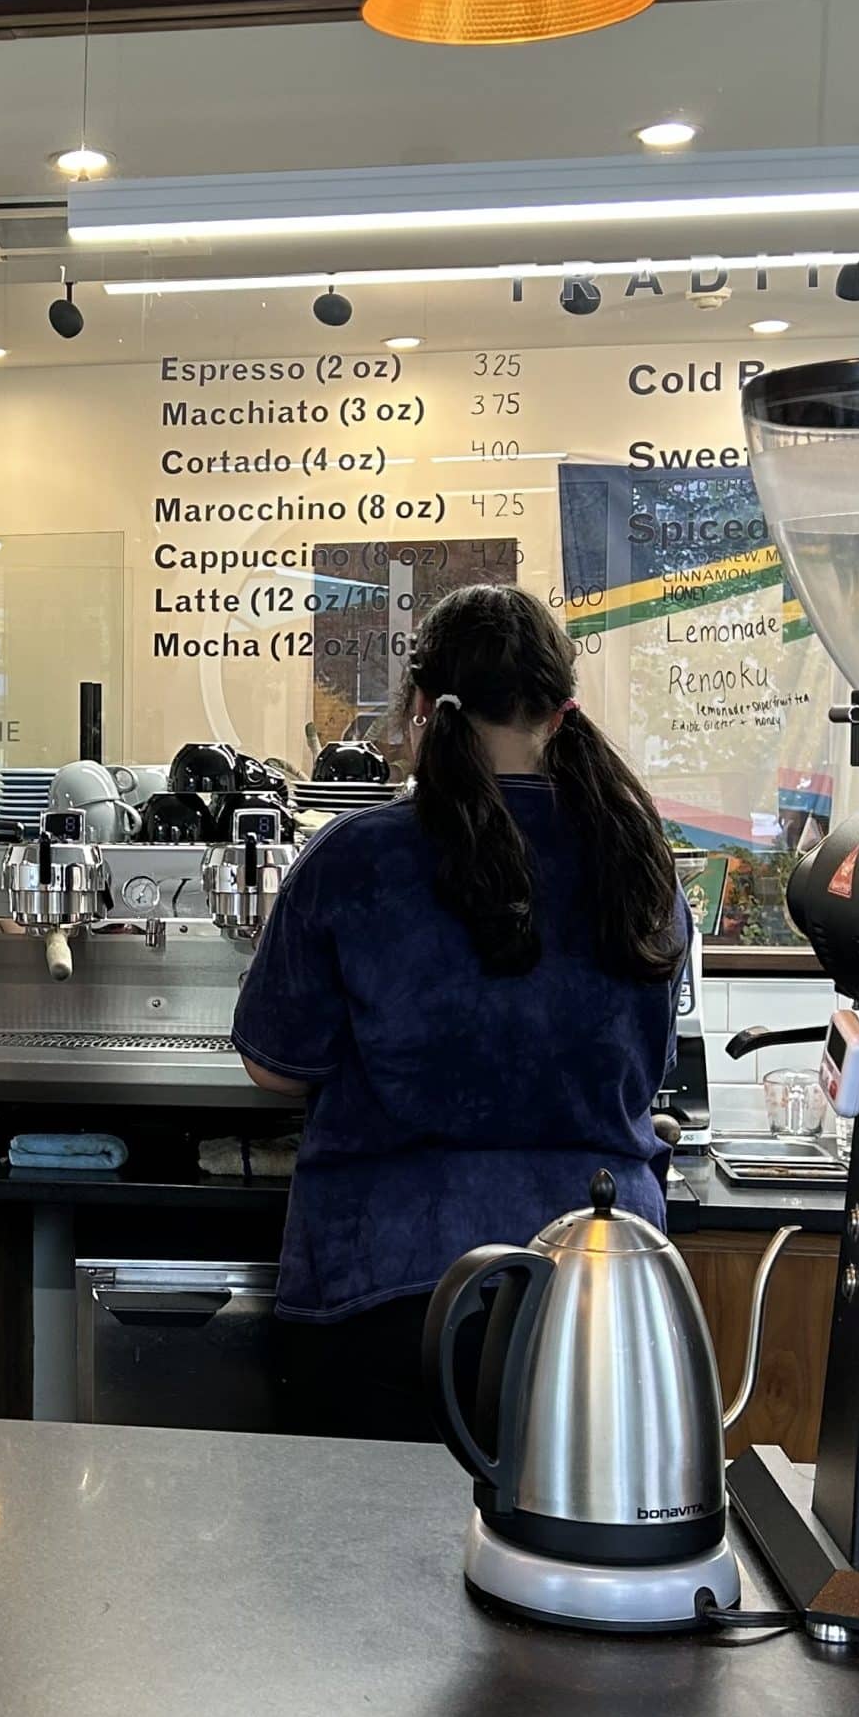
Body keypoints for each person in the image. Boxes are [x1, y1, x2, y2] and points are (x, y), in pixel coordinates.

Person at [232, 584, 688, 1443]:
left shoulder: (354, 858)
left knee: (362, 1561)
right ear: (561, 712)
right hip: (598, 1287)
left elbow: (275, 1064)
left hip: (384, 1284)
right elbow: (649, 1067)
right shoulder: (637, 857)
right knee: (559, 1560)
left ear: (417, 706)